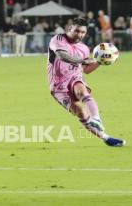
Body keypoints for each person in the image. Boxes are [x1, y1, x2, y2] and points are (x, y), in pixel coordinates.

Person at [47, 17, 125, 147]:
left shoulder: (84, 48)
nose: (80, 35)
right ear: (70, 28)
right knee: (81, 112)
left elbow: (86, 70)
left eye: (83, 32)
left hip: (74, 77)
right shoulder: (58, 39)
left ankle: (96, 118)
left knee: (81, 90)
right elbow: (62, 56)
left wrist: (100, 61)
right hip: (58, 85)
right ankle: (105, 138)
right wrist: (82, 61)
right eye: (77, 31)